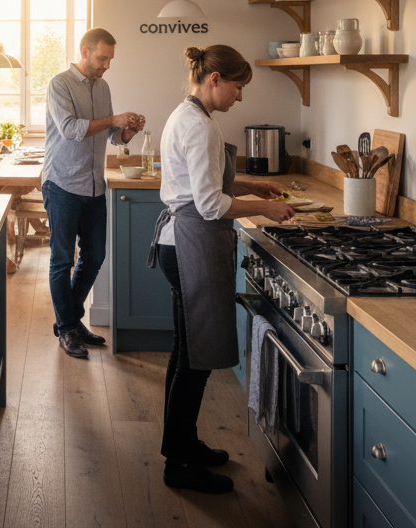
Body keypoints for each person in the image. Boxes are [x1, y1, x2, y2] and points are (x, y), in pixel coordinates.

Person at [149, 45, 294, 494]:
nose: (240, 97)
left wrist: (249, 183)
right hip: (191, 245)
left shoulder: (186, 116)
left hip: (180, 244)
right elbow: (210, 203)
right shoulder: (201, 127)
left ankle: (184, 445)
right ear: (214, 79)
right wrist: (265, 206)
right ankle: (179, 464)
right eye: (238, 86)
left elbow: (203, 181)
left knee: (185, 354)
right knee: (194, 361)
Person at [42, 27, 144, 359]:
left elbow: (112, 137)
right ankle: (69, 328)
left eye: (110, 59)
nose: (107, 65)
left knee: (95, 256)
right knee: (62, 260)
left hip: (94, 185)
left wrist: (126, 131)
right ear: (85, 52)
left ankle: (68, 322)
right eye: (102, 58)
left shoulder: (104, 87)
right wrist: (114, 118)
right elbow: (71, 129)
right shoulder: (59, 84)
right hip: (62, 184)